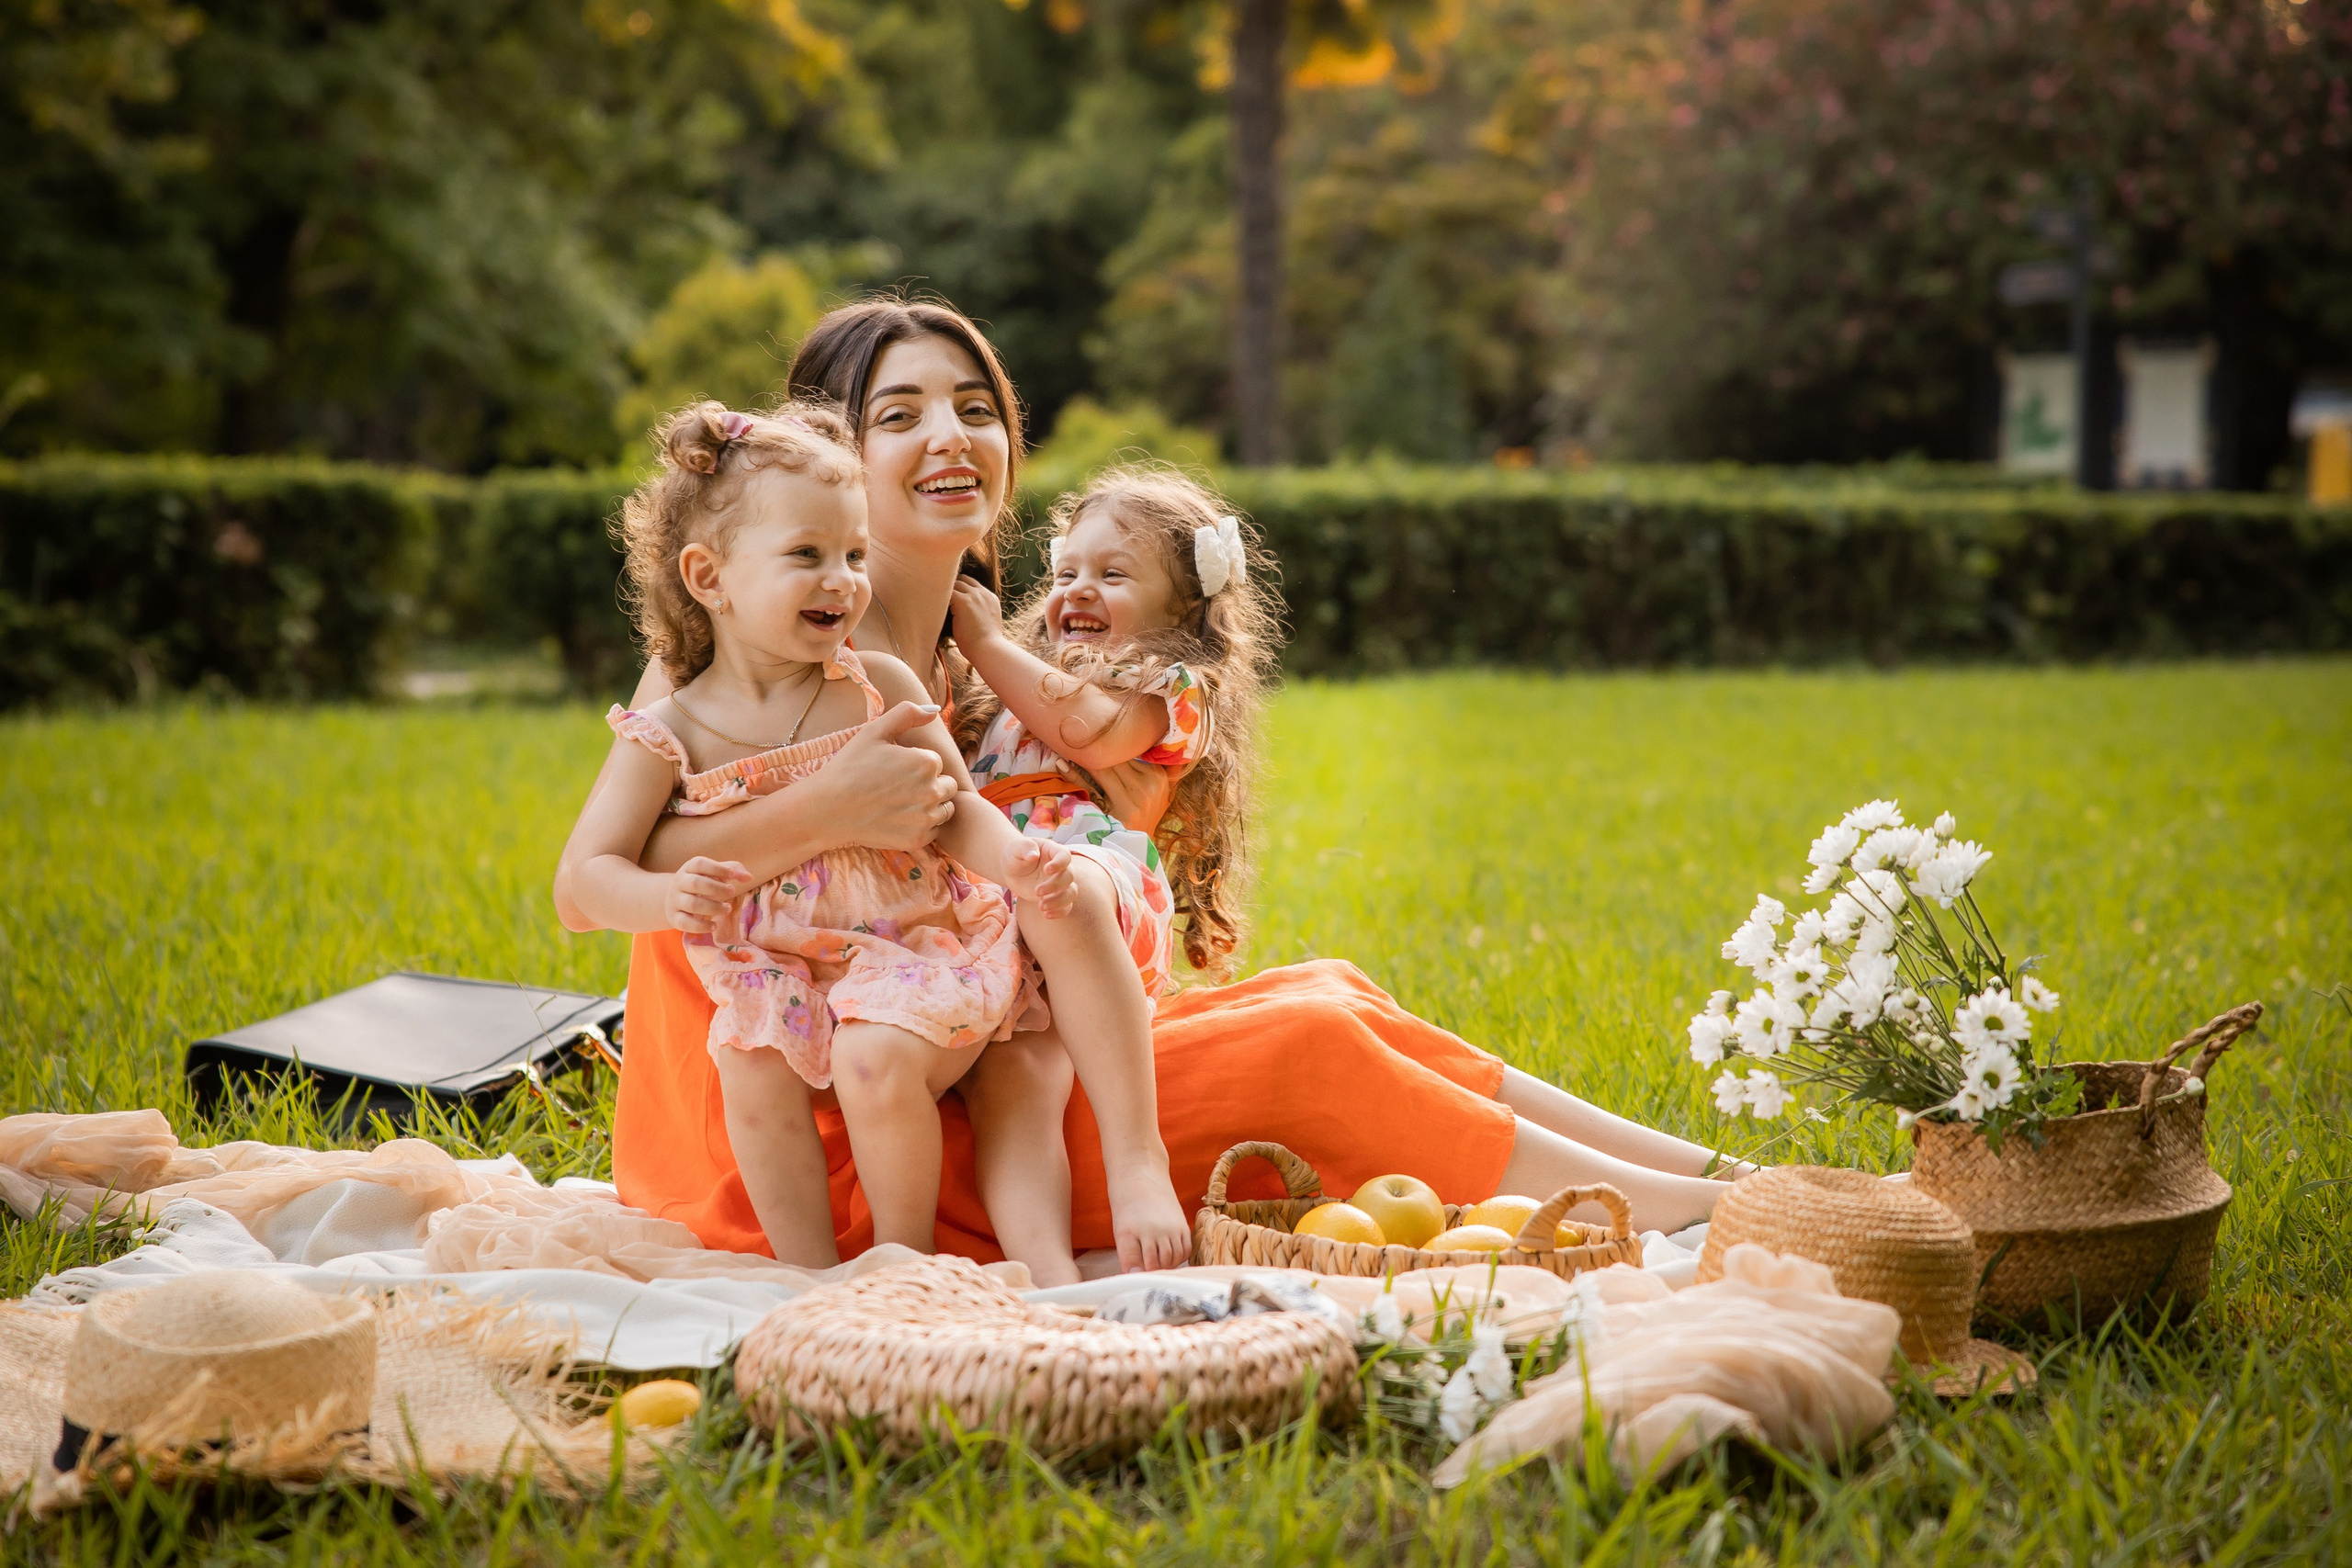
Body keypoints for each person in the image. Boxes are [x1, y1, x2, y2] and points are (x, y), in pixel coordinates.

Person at [552, 296, 1740, 1272]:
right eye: (900, 414)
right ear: (820, 461)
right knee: (1304, 1048)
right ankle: (1700, 1221)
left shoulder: (969, 659)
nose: (951, 436)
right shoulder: (738, 655)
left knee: (1326, 992)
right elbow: (625, 869)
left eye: (976, 408)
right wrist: (833, 808)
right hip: (816, 1134)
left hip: (955, 1054)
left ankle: (1710, 1178)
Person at [561, 399, 1072, 1265]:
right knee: (749, 1061)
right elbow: (584, 880)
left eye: (855, 554)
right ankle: (809, 1273)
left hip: (912, 946)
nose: (843, 580)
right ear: (709, 577)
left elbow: (955, 809)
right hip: (778, 966)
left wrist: (1015, 860)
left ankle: (903, 1260)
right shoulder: (669, 733)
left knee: (874, 1056)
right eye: (808, 555)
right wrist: (663, 894)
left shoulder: (876, 684)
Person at [950, 466, 1281, 1284]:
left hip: (1093, 884)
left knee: (1060, 887)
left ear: (1182, 609)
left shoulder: (1172, 687)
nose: (1077, 589)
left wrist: (985, 643)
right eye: (1066, 571)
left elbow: (1090, 733)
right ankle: (1048, 1280)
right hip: (996, 905)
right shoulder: (1008, 686)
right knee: (1014, 1082)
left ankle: (1138, 1162)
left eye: (1113, 573)